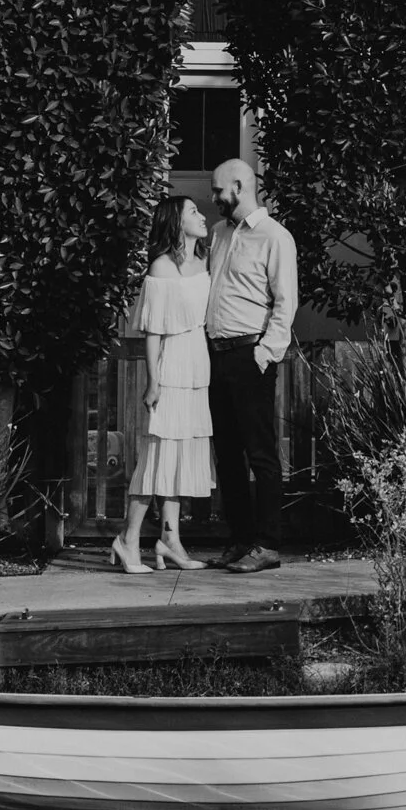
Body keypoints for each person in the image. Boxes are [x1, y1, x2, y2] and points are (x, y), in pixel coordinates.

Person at [112, 193, 214, 573]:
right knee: (157, 455)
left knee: (180, 456)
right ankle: (128, 540)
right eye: (193, 212)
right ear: (176, 221)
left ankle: (170, 540)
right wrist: (153, 381)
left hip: (198, 365)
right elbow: (153, 330)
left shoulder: (204, 261)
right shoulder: (161, 267)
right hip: (171, 367)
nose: (202, 217)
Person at [204, 158, 298, 569]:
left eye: (218, 189)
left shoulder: (275, 236)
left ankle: (268, 545)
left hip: (250, 354)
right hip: (216, 355)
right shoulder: (218, 233)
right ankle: (240, 540)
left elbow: (285, 302)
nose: (213, 196)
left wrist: (264, 353)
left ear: (239, 187)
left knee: (260, 452)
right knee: (227, 454)